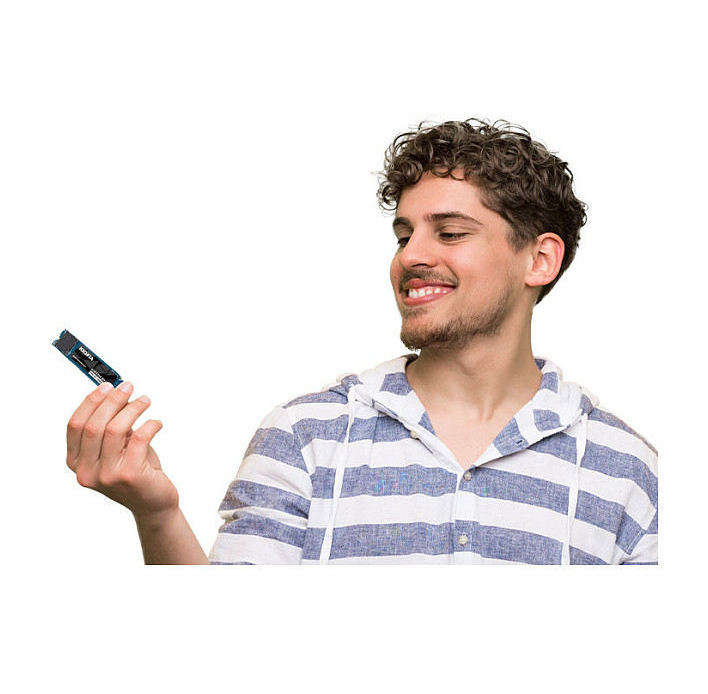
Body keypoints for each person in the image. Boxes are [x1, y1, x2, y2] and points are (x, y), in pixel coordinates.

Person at [64, 119, 658, 565]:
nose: (412, 255)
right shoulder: (306, 437)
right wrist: (158, 514)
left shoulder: (629, 469)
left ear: (540, 259)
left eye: (450, 232)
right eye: (403, 235)